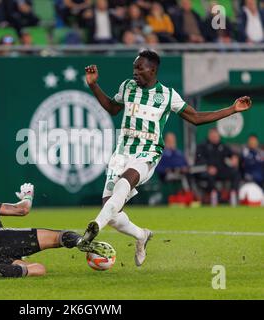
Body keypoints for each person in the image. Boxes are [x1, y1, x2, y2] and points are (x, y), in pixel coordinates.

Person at [83, 49, 252, 266]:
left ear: (152, 70)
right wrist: (93, 85)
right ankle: (141, 235)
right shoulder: (127, 87)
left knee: (124, 184)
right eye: (134, 68)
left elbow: (196, 118)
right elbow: (112, 109)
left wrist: (232, 109)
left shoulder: (168, 95)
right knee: (112, 212)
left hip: (148, 152)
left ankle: (91, 230)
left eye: (140, 68)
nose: (135, 72)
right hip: (121, 153)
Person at [0, 183, 112, 278]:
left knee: (37, 269)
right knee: (59, 237)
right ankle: (80, 242)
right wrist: (28, 195)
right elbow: (21, 210)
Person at [195, 128, 241, 206]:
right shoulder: (202, 146)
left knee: (235, 172)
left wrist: (234, 157)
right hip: (208, 171)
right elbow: (199, 159)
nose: (215, 137)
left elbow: (232, 154)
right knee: (210, 174)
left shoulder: (222, 145)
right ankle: (215, 195)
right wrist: (208, 167)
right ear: (209, 136)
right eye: (213, 136)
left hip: (221, 170)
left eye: (216, 136)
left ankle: (233, 193)